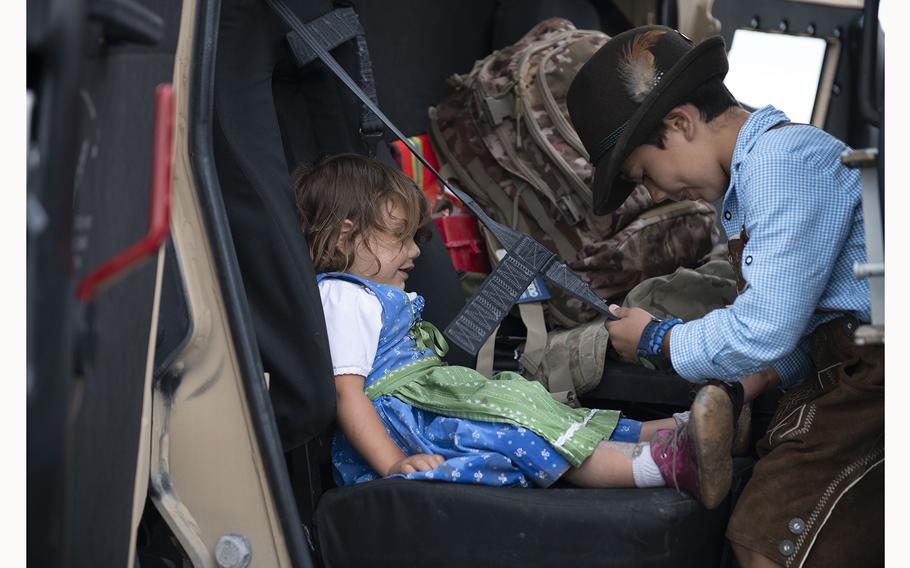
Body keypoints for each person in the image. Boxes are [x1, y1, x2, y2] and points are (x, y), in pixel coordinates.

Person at [567, 26, 883, 567]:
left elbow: (764, 328)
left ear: (681, 123)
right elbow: (805, 332)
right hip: (841, 371)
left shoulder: (780, 163)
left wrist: (657, 339)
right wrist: (748, 384)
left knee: (768, 541)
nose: (661, 193)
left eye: (646, 173)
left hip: (873, 380)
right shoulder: (760, 176)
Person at [294, 153, 736, 508]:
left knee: (534, 407)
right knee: (521, 434)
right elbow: (347, 393)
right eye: (399, 238)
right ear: (343, 238)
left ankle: (678, 428)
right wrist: (391, 463)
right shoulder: (343, 296)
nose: (413, 252)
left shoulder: (364, 292)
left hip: (431, 397)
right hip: (410, 424)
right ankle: (666, 466)